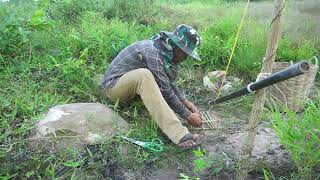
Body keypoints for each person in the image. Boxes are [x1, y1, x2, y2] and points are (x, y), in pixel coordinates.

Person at [101, 24, 203, 149]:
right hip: (113, 88)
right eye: (185, 53)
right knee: (144, 75)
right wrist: (187, 115)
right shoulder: (153, 52)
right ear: (176, 47)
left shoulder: (167, 54)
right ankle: (178, 134)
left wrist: (185, 101)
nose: (186, 58)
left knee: (148, 76)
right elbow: (166, 92)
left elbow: (169, 83)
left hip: (130, 88)